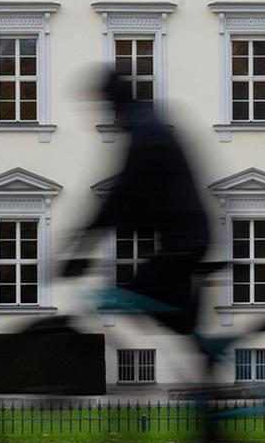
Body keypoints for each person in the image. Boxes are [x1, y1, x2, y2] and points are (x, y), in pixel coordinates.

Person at [64, 67, 212, 338]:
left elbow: (120, 196)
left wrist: (80, 245)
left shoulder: (145, 135)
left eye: (107, 107)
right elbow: (127, 197)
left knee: (137, 293)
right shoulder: (147, 125)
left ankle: (195, 328)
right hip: (185, 237)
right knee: (155, 303)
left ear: (114, 103)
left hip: (185, 241)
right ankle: (195, 334)